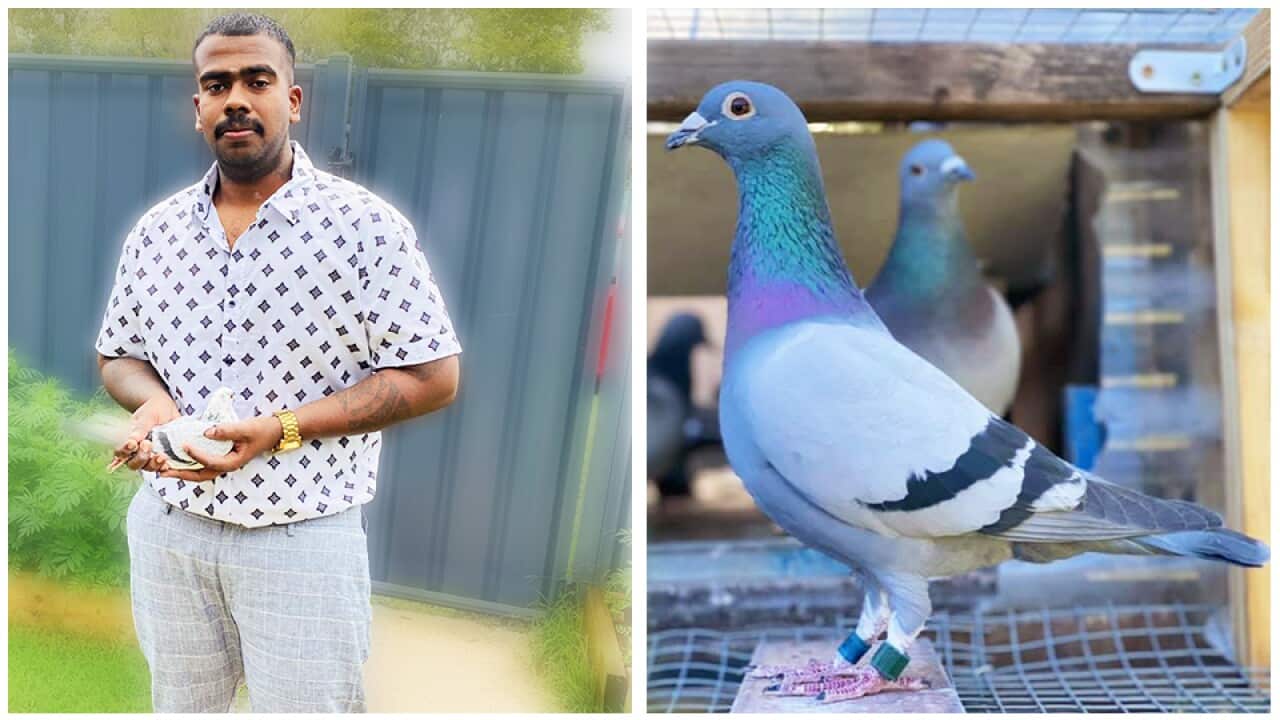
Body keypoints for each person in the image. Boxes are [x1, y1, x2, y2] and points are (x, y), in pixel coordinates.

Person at [94, 12, 461, 712]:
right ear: (197, 108)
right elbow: (118, 354)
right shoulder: (157, 233)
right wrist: (152, 402)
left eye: (257, 80)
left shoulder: (364, 228)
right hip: (170, 532)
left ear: (292, 100)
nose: (236, 98)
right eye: (216, 83)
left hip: (300, 541)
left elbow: (432, 375)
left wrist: (280, 428)